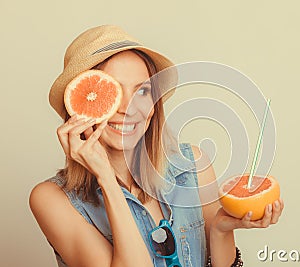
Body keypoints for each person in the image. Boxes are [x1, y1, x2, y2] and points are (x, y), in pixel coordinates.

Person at [29, 25, 284, 267]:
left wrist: (220, 229)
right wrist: (106, 177)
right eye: (112, 92)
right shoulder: (52, 200)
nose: (128, 108)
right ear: (80, 106)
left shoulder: (193, 165)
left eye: (142, 91)